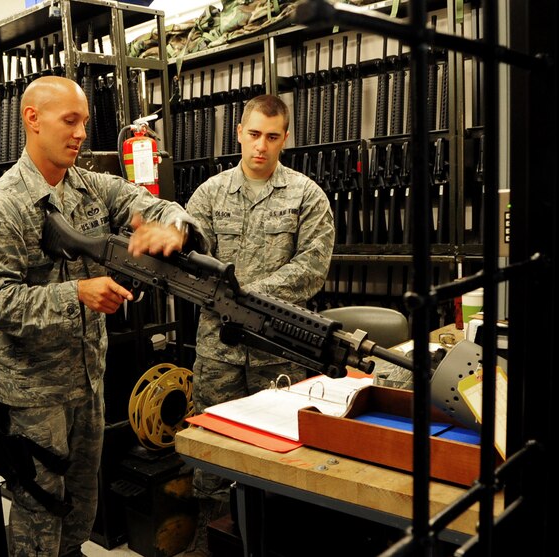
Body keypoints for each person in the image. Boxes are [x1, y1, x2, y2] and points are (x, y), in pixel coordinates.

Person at [0, 75, 203, 557]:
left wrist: (171, 228)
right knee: (39, 510)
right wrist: (75, 293)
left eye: (84, 123)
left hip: (87, 379)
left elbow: (152, 204)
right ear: (32, 120)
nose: (80, 133)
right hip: (34, 391)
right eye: (69, 121)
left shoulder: (91, 187)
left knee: (80, 507)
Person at [183, 94, 334, 555]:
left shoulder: (307, 196)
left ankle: (272, 543)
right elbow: (187, 256)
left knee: (277, 453)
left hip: (278, 352)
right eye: (253, 135)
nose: (261, 147)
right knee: (211, 451)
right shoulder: (209, 194)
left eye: (272, 137)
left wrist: (249, 297)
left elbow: (312, 266)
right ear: (239, 134)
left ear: (285, 138)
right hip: (217, 351)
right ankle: (214, 539)